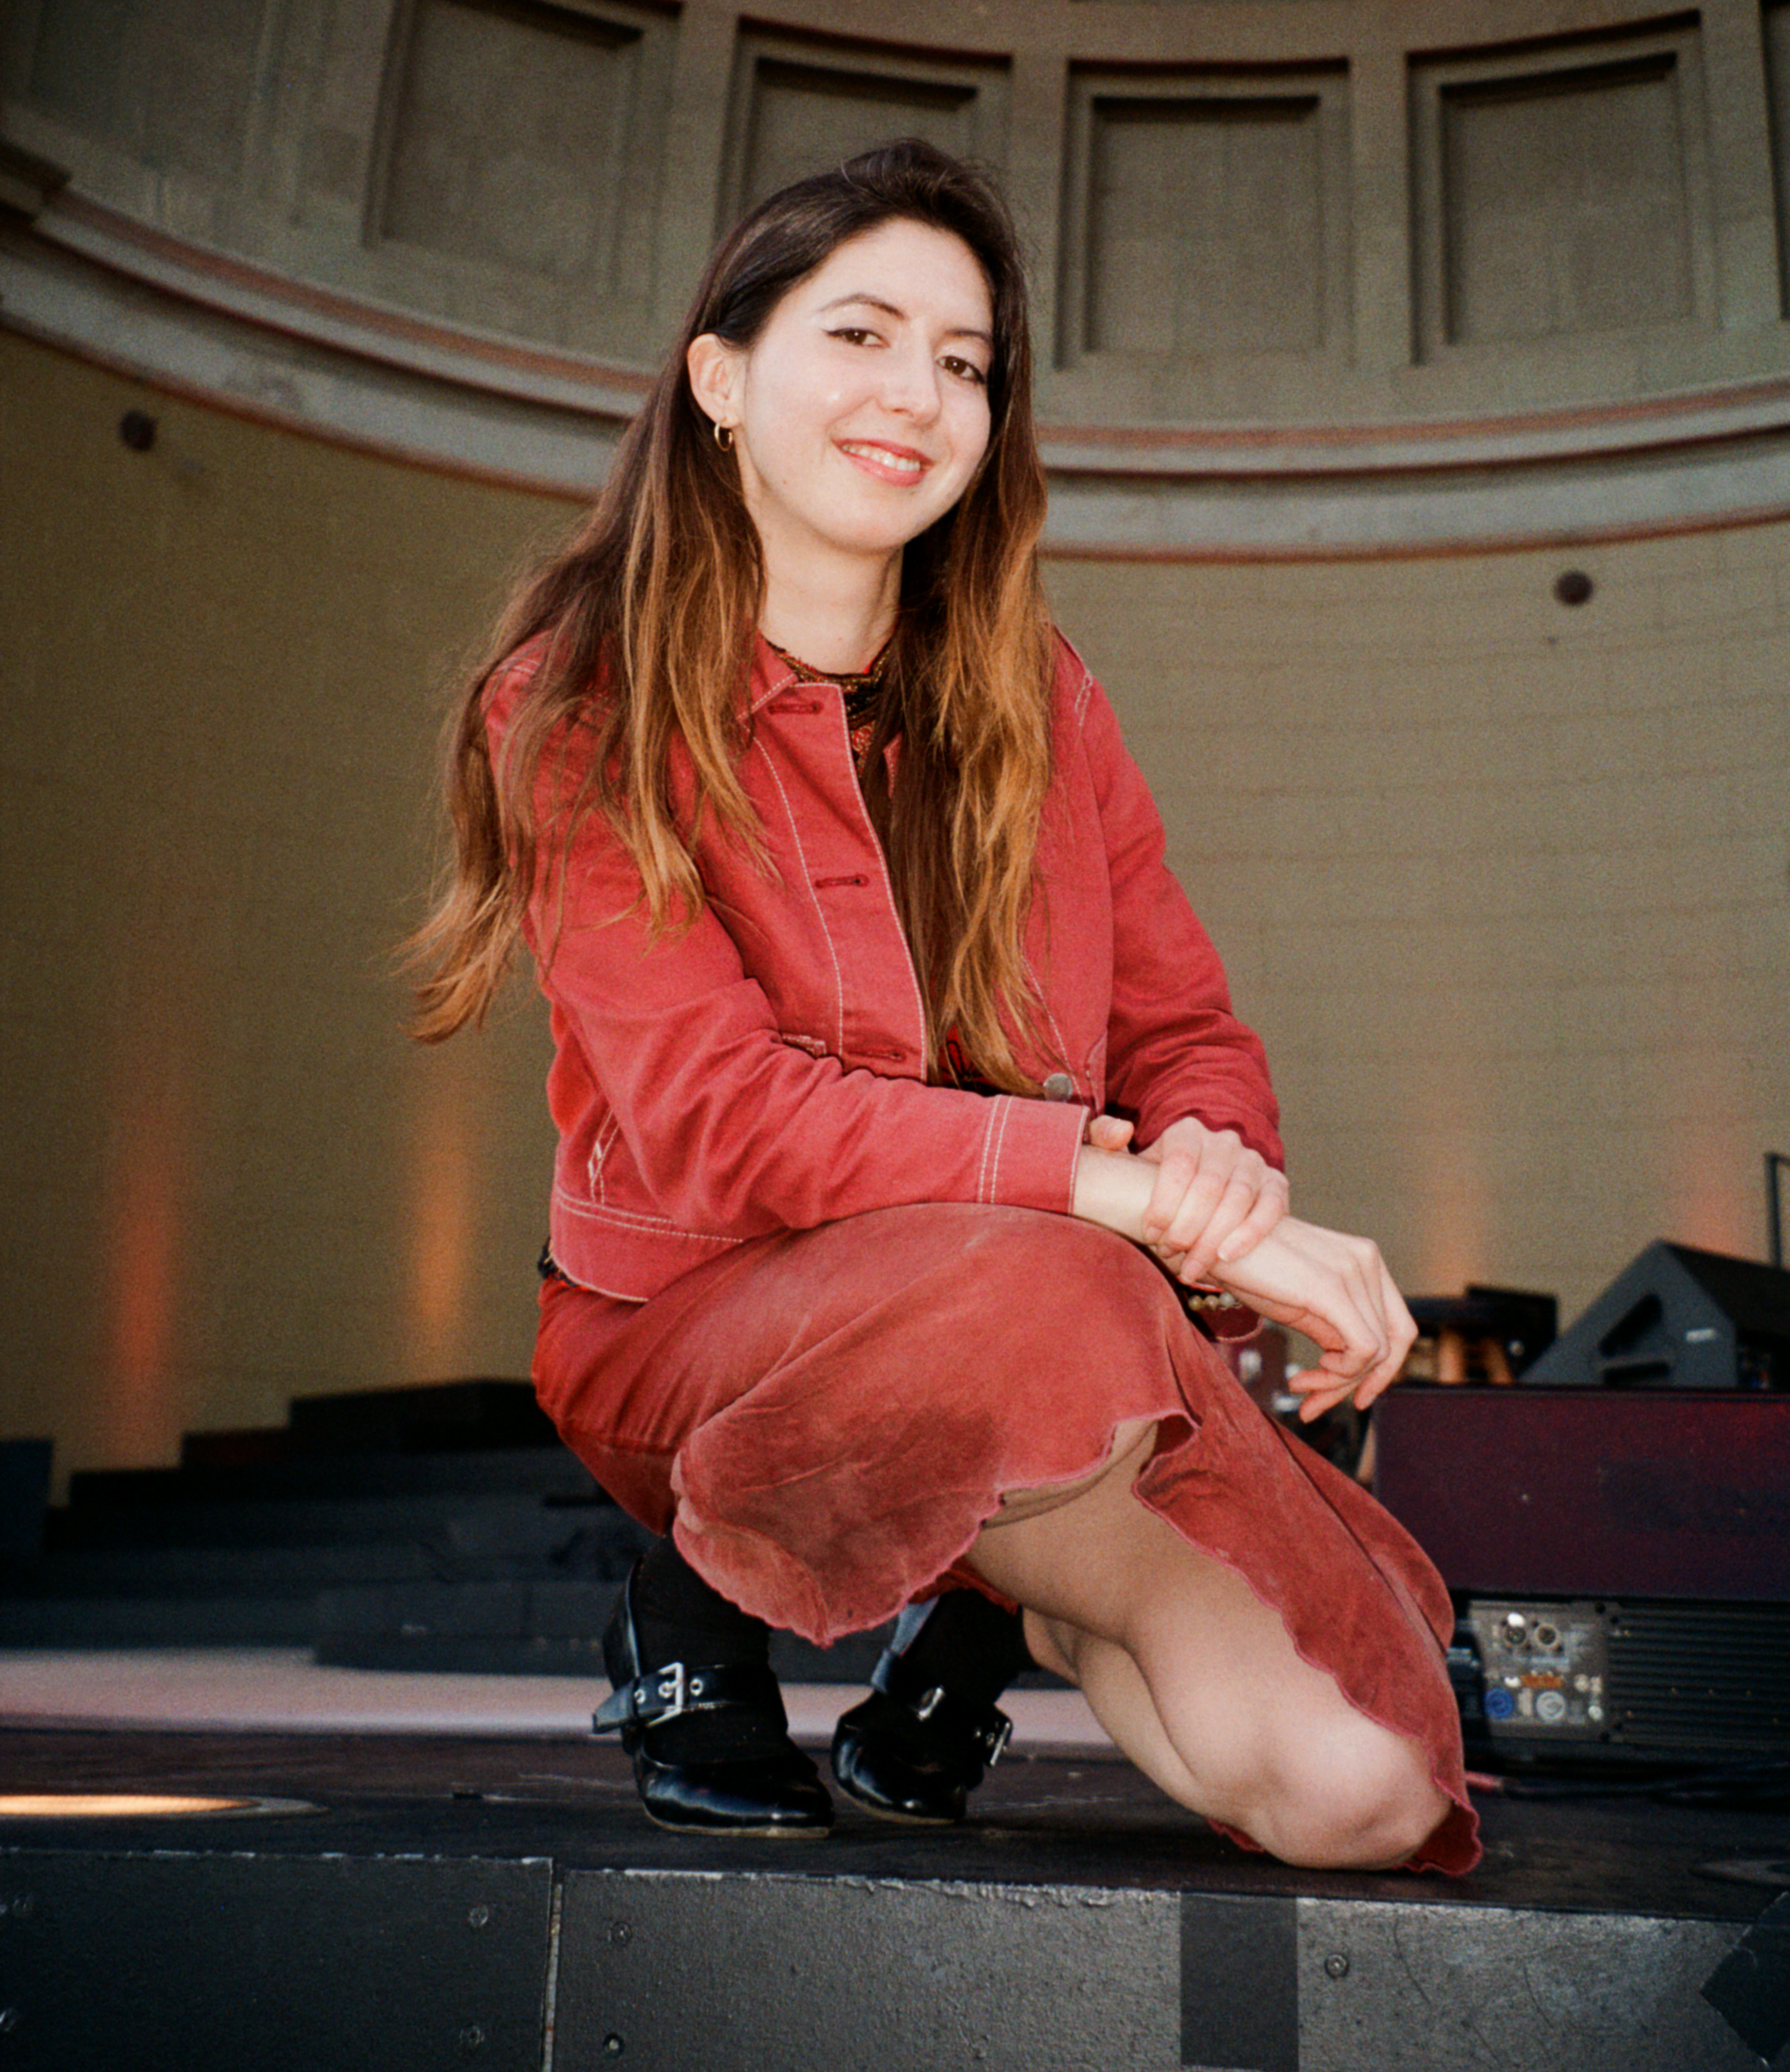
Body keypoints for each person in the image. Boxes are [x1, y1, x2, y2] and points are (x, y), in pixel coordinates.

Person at [411, 140, 1478, 1876]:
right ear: (720, 377)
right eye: (858, 333)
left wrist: (1208, 1171)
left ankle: (990, 1599)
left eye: (964, 360)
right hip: (703, 1335)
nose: (915, 391)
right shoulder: (576, 706)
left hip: (1048, 1326)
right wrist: (1122, 1196)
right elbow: (726, 1115)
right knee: (1060, 1267)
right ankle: (693, 1589)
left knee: (1355, 1781)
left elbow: (1181, 1026)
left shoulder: (1039, 697)